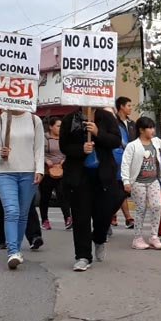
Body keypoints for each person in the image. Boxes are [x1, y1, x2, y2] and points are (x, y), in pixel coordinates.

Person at [60, 108, 124, 271]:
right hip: (79, 176)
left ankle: (99, 238)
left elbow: (116, 141)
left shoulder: (107, 117)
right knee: (81, 216)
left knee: (104, 212)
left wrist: (97, 132)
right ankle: (82, 256)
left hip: (103, 175)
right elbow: (64, 146)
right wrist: (81, 149)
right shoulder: (69, 118)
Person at [0, 110, 45, 269]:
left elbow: (39, 148)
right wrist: (0, 152)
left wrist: (39, 169)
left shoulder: (35, 120)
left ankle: (17, 249)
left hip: (29, 173)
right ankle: (12, 251)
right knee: (11, 211)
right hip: (6, 173)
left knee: (22, 214)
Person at [121, 118, 161, 250]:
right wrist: (126, 181)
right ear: (141, 130)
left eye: (153, 128)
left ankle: (154, 236)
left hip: (154, 181)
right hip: (138, 182)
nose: (152, 131)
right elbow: (125, 163)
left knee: (157, 206)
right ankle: (137, 238)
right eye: (149, 128)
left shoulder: (156, 142)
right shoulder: (132, 145)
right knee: (141, 209)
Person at [40, 116, 72, 231]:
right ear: (51, 127)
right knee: (45, 197)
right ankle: (44, 220)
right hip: (47, 172)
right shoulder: (44, 138)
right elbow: (38, 151)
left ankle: (68, 218)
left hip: (62, 171)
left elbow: (68, 151)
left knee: (63, 195)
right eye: (58, 126)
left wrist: (64, 160)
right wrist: (46, 160)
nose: (60, 128)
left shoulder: (65, 138)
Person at [113, 96, 137, 229]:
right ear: (121, 106)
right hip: (116, 160)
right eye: (129, 105)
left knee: (122, 189)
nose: (131, 108)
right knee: (119, 188)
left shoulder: (132, 124)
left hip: (130, 160)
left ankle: (114, 214)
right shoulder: (113, 122)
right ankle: (127, 217)